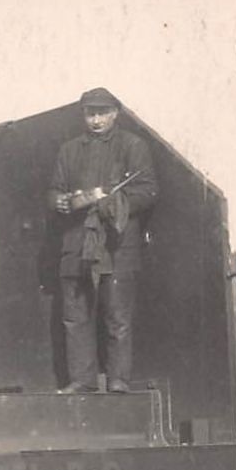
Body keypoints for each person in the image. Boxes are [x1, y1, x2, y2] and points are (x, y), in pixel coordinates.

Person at [49, 87, 158, 393]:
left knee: (117, 315)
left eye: (101, 113)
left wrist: (117, 203)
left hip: (116, 245)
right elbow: (54, 190)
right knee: (75, 315)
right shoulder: (68, 151)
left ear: (115, 114)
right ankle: (81, 380)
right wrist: (60, 201)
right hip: (76, 243)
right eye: (89, 113)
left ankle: (118, 379)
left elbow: (148, 191)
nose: (95, 120)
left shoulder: (133, 146)